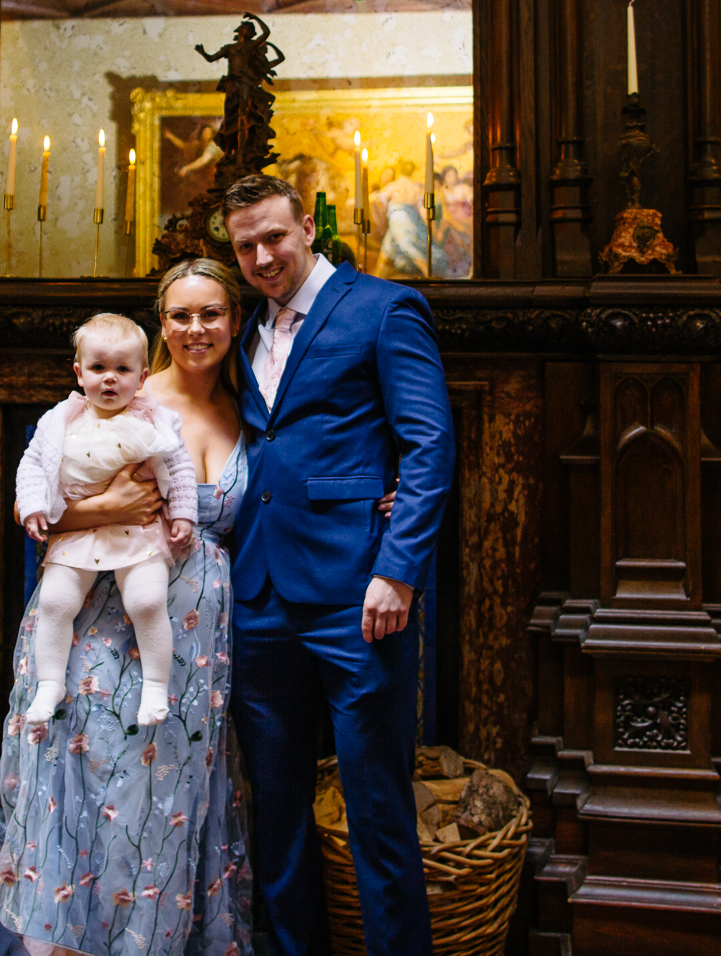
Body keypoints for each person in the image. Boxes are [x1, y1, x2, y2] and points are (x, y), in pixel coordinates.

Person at [0, 259, 253, 956]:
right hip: (100, 610)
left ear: (234, 321)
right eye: (181, 315)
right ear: (161, 325)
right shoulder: (122, 395)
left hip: (196, 633)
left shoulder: (252, 407)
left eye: (212, 314)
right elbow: (33, 500)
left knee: (165, 788)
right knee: (94, 766)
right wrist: (103, 507)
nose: (197, 329)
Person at [221, 172, 454, 956]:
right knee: (276, 813)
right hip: (257, 599)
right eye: (245, 245)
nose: (262, 255)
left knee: (377, 809)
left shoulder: (383, 309)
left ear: (309, 229)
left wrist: (398, 570)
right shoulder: (242, 330)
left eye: (274, 237)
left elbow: (429, 446)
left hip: (360, 596)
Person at [14, 313, 198, 728]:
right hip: (78, 532)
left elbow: (180, 467)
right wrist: (32, 505)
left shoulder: (153, 420)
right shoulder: (60, 420)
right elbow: (31, 465)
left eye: (122, 369)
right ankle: (49, 684)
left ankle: (154, 685)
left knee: (147, 601)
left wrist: (184, 513)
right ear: (79, 373)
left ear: (143, 375)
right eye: (98, 368)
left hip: (139, 533)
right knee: (55, 602)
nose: (109, 379)